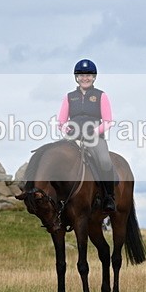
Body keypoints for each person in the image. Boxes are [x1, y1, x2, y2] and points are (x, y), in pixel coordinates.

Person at [57, 59, 117, 212]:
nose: (85, 78)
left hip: (95, 137)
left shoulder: (101, 96)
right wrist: (68, 130)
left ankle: (109, 197)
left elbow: (108, 121)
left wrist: (93, 132)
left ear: (94, 77)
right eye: (82, 75)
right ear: (76, 77)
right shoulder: (69, 97)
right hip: (73, 137)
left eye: (89, 75)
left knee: (104, 161)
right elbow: (61, 122)